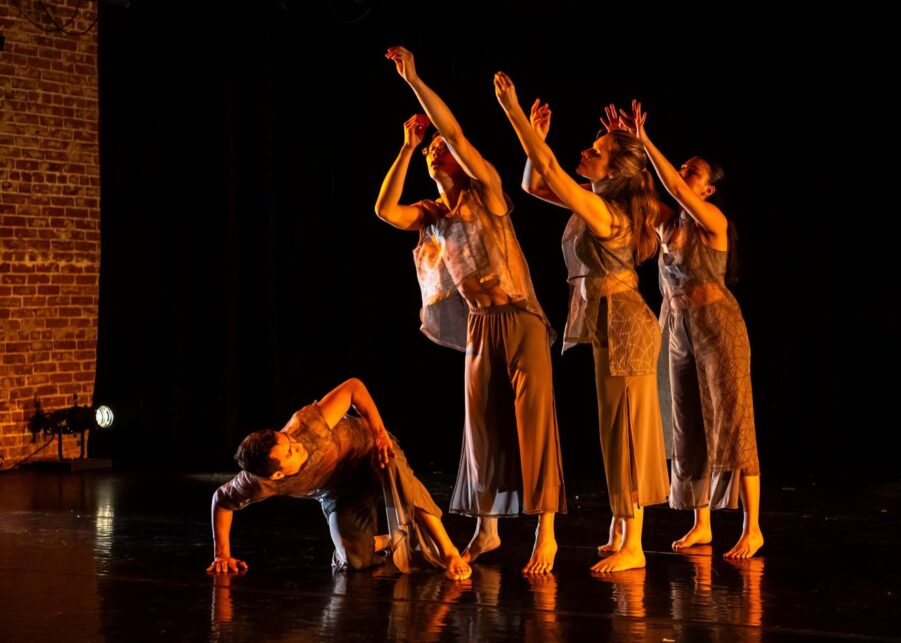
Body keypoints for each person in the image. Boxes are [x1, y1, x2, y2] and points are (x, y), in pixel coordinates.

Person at [374, 47, 566, 574]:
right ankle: (487, 530)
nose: (438, 149)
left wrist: (414, 79)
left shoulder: (488, 193)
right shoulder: (433, 215)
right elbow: (385, 209)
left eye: (440, 147)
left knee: (532, 423)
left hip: (520, 317)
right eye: (432, 148)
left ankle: (545, 532)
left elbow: (455, 133)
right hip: (481, 325)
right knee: (480, 427)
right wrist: (407, 148)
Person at [494, 72, 669, 573]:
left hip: (625, 322)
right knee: (612, 430)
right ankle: (621, 528)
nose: (587, 153)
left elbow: (548, 168)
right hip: (604, 322)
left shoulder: (605, 210)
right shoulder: (595, 202)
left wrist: (512, 113)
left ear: (615, 169)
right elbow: (533, 181)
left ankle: (634, 542)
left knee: (628, 429)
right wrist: (535, 138)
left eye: (597, 150)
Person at [617, 100, 763, 559]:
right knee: (686, 423)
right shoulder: (668, 223)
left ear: (711, 190)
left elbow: (675, 189)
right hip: (676, 327)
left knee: (734, 421)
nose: (684, 172)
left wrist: (645, 139)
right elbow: (639, 190)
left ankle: (752, 526)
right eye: (685, 167)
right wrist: (627, 145)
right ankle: (701, 521)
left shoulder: (712, 223)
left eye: (694, 171)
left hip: (719, 328)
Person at [207, 377, 472, 580]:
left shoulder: (308, 424)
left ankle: (448, 553)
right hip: (342, 490)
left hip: (372, 454)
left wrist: (379, 434)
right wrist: (222, 555)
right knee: (355, 562)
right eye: (290, 451)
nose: (296, 444)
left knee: (395, 471)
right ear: (276, 474)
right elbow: (222, 499)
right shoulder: (258, 482)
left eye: (287, 438)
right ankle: (392, 539)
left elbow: (354, 387)